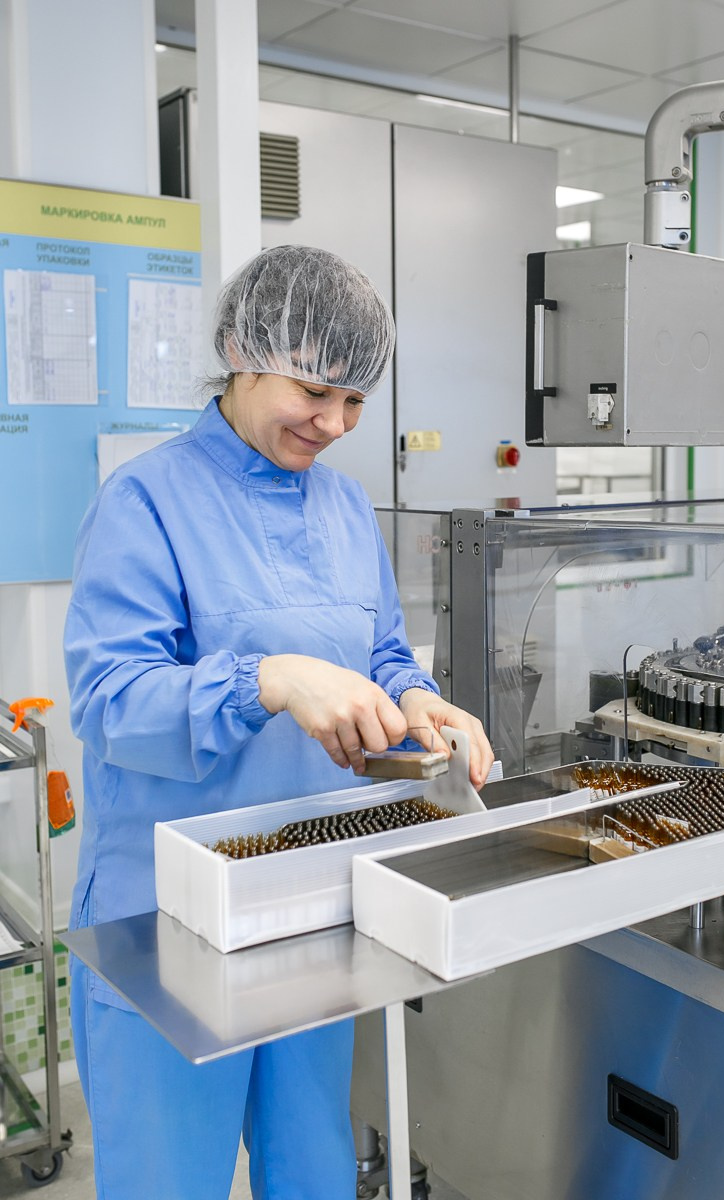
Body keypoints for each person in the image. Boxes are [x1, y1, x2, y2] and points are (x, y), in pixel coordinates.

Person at [64, 244, 494, 1200]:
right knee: (168, 1180)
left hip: (311, 907)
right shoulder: (145, 501)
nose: (333, 423)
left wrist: (415, 698)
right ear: (239, 352)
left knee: (313, 1172)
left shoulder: (343, 505)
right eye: (313, 390)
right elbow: (109, 700)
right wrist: (265, 680)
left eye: (354, 400)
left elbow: (382, 653)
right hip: (167, 923)